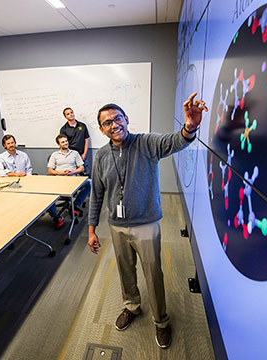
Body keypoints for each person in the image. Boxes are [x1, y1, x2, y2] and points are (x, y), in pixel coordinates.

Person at [87, 93, 208, 349]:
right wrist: (91, 230)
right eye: (107, 122)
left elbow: (176, 141)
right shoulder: (101, 156)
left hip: (146, 223)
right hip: (116, 226)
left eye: (117, 118)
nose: (113, 125)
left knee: (153, 274)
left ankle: (161, 320)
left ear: (126, 119)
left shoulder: (147, 143)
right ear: (101, 129)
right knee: (125, 270)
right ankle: (132, 306)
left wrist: (190, 127)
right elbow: (96, 193)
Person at [47, 134, 91, 216]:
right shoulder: (54, 155)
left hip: (73, 179)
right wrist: (61, 173)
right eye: (63, 142)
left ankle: (76, 204)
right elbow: (50, 170)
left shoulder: (75, 153)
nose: (65, 143)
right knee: (46, 191)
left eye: (66, 141)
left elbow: (82, 168)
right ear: (58, 144)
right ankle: (56, 217)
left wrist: (73, 172)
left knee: (90, 183)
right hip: (59, 180)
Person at [59, 107, 91, 175]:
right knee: (72, 176)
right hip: (71, 156)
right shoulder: (63, 129)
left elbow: (86, 139)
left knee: (86, 175)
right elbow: (63, 143)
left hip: (82, 155)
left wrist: (84, 154)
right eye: (68, 114)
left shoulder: (82, 126)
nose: (71, 114)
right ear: (65, 117)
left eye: (71, 112)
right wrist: (72, 156)